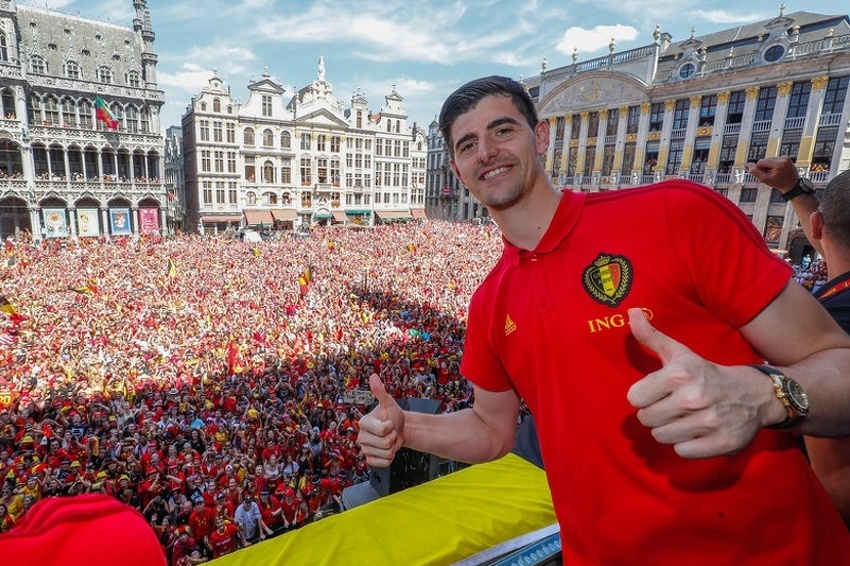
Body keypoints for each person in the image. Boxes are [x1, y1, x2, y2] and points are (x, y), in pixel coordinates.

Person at [357, 75, 850, 564]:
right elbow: (492, 430)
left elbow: (838, 365)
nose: (485, 151)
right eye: (468, 144)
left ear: (541, 135)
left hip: (771, 551)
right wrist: (408, 427)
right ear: (457, 169)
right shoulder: (490, 302)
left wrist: (764, 394)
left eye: (502, 130)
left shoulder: (674, 214)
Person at [749, 156, 850, 528]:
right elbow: (836, 246)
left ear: (818, 225)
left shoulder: (831, 330)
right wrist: (794, 189)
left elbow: (835, 477)